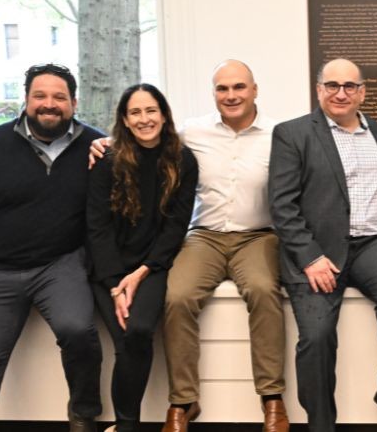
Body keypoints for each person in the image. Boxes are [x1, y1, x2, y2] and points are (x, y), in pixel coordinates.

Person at [90, 60, 288, 432]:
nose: (231, 95)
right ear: (214, 93)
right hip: (205, 235)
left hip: (258, 235)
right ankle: (183, 401)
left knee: (263, 290)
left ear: (255, 90)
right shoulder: (193, 132)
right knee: (177, 296)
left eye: (239, 87)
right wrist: (103, 143)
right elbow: (146, 138)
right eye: (222, 89)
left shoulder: (279, 135)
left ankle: (272, 398)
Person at [270, 58, 377, 432]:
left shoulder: (376, 131)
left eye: (349, 86)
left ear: (362, 92)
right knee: (317, 337)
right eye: (332, 85)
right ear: (319, 90)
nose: (340, 93)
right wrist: (310, 258)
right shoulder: (292, 134)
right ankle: (321, 423)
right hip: (316, 252)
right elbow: (282, 206)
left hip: (369, 245)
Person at [0, 64, 103, 432]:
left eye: (59, 97)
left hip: (59, 264)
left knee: (79, 331)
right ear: (26, 99)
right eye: (40, 96)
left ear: (74, 102)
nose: (49, 104)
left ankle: (83, 414)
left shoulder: (96, 146)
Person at [86, 84, 198, 432]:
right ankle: (127, 425)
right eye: (135, 112)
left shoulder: (183, 160)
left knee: (139, 329)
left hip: (153, 264)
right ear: (125, 118)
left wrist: (141, 273)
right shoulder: (107, 159)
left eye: (151, 110)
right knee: (124, 338)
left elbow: (177, 225)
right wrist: (116, 284)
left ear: (164, 115)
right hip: (107, 268)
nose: (144, 118)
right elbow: (97, 227)